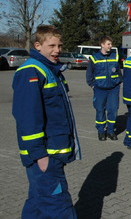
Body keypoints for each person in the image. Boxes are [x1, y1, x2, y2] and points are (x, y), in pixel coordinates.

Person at [12, 25, 81, 218]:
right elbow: (27, 118)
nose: (57, 50)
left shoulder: (50, 70)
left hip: (51, 154)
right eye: (51, 45)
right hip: (45, 157)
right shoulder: (31, 72)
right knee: (60, 209)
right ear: (38, 46)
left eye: (59, 45)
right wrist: (39, 155)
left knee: (37, 204)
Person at [86, 36, 122, 141]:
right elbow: (89, 74)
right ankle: (101, 131)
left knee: (113, 110)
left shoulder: (115, 56)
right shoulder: (94, 58)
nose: (110, 46)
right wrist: (92, 84)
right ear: (102, 45)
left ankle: (111, 131)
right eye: (108, 44)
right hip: (99, 89)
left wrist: (119, 81)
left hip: (113, 89)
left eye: (111, 44)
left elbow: (119, 71)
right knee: (100, 110)